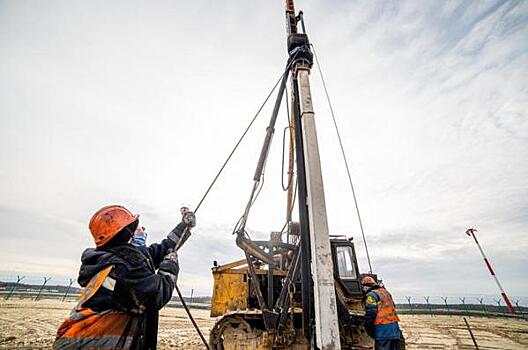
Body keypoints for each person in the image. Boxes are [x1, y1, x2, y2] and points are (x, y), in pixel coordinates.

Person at [53, 205, 196, 350]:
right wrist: (170, 266)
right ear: (126, 233)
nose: (142, 230)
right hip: (87, 343)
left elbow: (164, 247)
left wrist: (184, 226)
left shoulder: (122, 259)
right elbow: (156, 295)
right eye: (136, 228)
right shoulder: (120, 268)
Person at [362, 275, 402, 350]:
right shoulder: (386, 293)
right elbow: (393, 307)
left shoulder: (371, 295)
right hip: (395, 331)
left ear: (366, 287)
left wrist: (368, 328)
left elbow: (371, 313)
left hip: (382, 331)